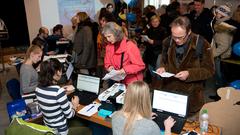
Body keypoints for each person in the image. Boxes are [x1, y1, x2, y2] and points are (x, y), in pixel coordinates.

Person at [156, 16, 214, 115]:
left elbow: (209, 70)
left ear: (189, 32)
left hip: (191, 97)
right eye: (174, 36)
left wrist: (189, 74)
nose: (176, 40)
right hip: (169, 93)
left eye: (180, 37)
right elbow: (164, 61)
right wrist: (163, 67)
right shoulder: (167, 41)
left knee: (188, 126)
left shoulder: (201, 44)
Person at [36, 58, 91, 135]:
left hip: (48, 128)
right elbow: (70, 115)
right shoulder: (58, 92)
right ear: (58, 72)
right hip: (61, 131)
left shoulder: (38, 88)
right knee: (89, 130)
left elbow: (50, 98)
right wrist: (74, 105)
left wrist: (61, 92)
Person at [209, 5, 237, 100]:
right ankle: (219, 96)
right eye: (216, 12)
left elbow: (224, 45)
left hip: (222, 57)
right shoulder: (220, 24)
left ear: (223, 14)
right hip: (219, 56)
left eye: (218, 12)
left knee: (221, 78)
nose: (216, 14)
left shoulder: (225, 27)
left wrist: (212, 54)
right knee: (218, 77)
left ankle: (222, 98)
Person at [142, 15, 167, 83]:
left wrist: (154, 42)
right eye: (153, 22)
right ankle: (153, 82)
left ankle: (158, 83)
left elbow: (165, 42)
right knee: (150, 69)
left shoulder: (163, 30)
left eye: (156, 21)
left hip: (159, 52)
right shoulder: (149, 30)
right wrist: (144, 40)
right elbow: (146, 41)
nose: (155, 23)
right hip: (150, 52)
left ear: (159, 22)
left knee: (158, 69)